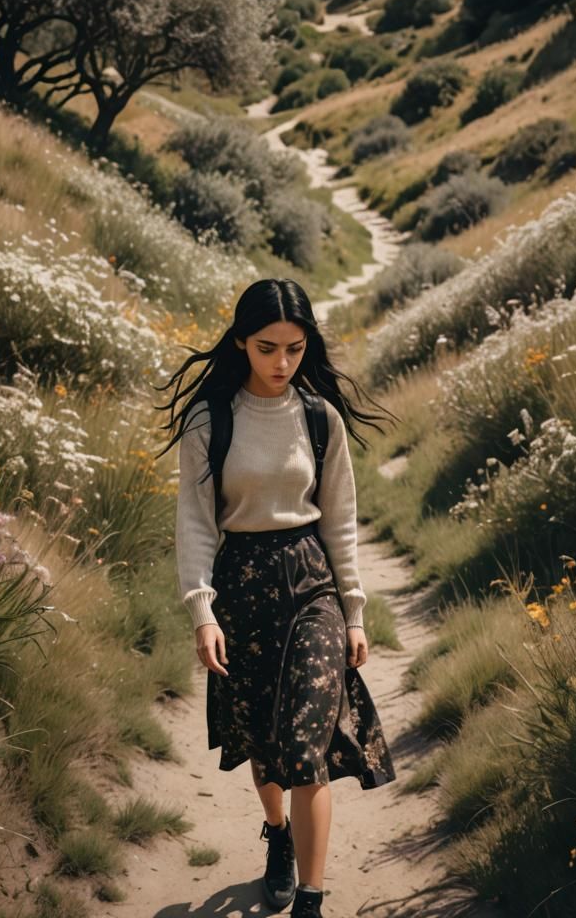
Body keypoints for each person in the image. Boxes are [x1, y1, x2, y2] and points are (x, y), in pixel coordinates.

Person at [155, 278, 397, 918]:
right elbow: (196, 523)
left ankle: (312, 902)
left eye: (294, 348)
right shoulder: (213, 420)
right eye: (267, 348)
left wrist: (354, 611)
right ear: (242, 343)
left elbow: (341, 519)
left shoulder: (321, 418)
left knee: (307, 745)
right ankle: (278, 834)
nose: (282, 362)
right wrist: (201, 612)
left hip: (310, 580)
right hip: (242, 583)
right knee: (265, 736)